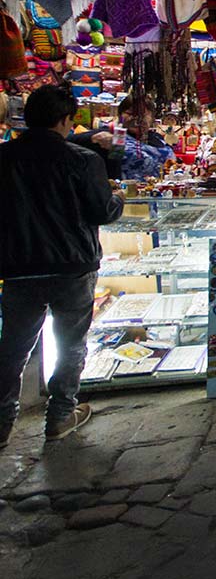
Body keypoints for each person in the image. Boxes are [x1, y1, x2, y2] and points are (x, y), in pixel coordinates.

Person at [0, 85, 124, 448]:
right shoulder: (83, 160)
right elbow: (102, 211)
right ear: (65, 120)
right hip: (72, 266)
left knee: (13, 346)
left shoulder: (3, 157)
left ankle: (2, 422)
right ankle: (59, 416)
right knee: (70, 343)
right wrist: (117, 198)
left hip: (19, 266)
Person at [69, 93, 174, 180]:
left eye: (143, 114)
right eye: (130, 113)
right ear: (120, 116)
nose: (136, 118)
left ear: (152, 118)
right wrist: (92, 138)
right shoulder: (115, 135)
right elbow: (67, 142)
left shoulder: (157, 138)